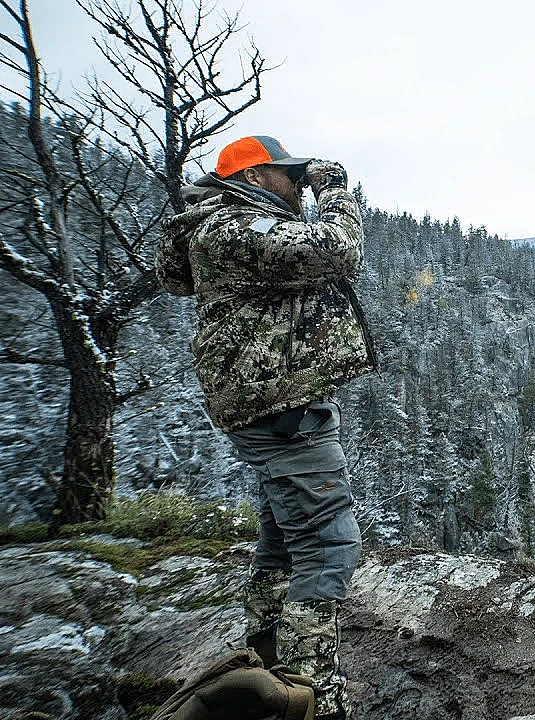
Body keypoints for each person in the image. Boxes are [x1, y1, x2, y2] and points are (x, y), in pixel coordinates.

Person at [157, 135, 377, 720]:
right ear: (254, 178)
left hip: (271, 403)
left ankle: (263, 672)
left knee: (283, 542)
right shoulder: (235, 229)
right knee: (328, 543)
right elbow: (336, 252)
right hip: (281, 410)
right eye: (286, 174)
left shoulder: (225, 225)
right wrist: (335, 191)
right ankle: (310, 697)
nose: (296, 183)